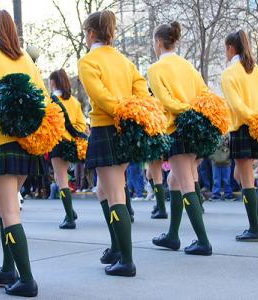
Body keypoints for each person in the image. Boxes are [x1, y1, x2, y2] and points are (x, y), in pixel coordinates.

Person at [0, 7, 48, 296]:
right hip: (27, 144)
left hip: (0, 142)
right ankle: (7, 269)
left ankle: (27, 280)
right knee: (8, 208)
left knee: (10, 212)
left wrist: (7, 116)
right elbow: (43, 98)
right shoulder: (24, 57)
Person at [78, 10, 150, 276]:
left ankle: (126, 259)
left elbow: (100, 96)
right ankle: (117, 247)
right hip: (125, 127)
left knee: (115, 192)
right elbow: (141, 87)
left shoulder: (88, 61)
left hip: (106, 127)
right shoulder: (123, 60)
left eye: (86, 33)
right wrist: (132, 109)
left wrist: (121, 110)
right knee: (103, 190)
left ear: (92, 33)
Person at [149, 21, 212, 255]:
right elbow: (204, 93)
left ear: (158, 42)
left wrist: (184, 110)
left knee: (185, 183)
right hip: (194, 127)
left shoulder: (156, 69)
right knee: (174, 181)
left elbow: (165, 100)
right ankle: (173, 236)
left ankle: (203, 241)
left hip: (176, 128)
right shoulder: (188, 66)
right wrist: (193, 112)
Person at [221, 30, 258, 241]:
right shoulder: (257, 70)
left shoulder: (229, 73)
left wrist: (253, 118)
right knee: (241, 176)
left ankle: (254, 227)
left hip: (243, 127)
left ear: (230, 48)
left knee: (246, 179)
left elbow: (237, 106)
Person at [49, 69, 86, 229]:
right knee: (61, 178)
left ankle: (70, 217)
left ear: (53, 82)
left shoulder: (50, 101)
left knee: (61, 179)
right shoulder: (74, 102)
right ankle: (70, 211)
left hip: (57, 142)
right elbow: (81, 125)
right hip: (71, 144)